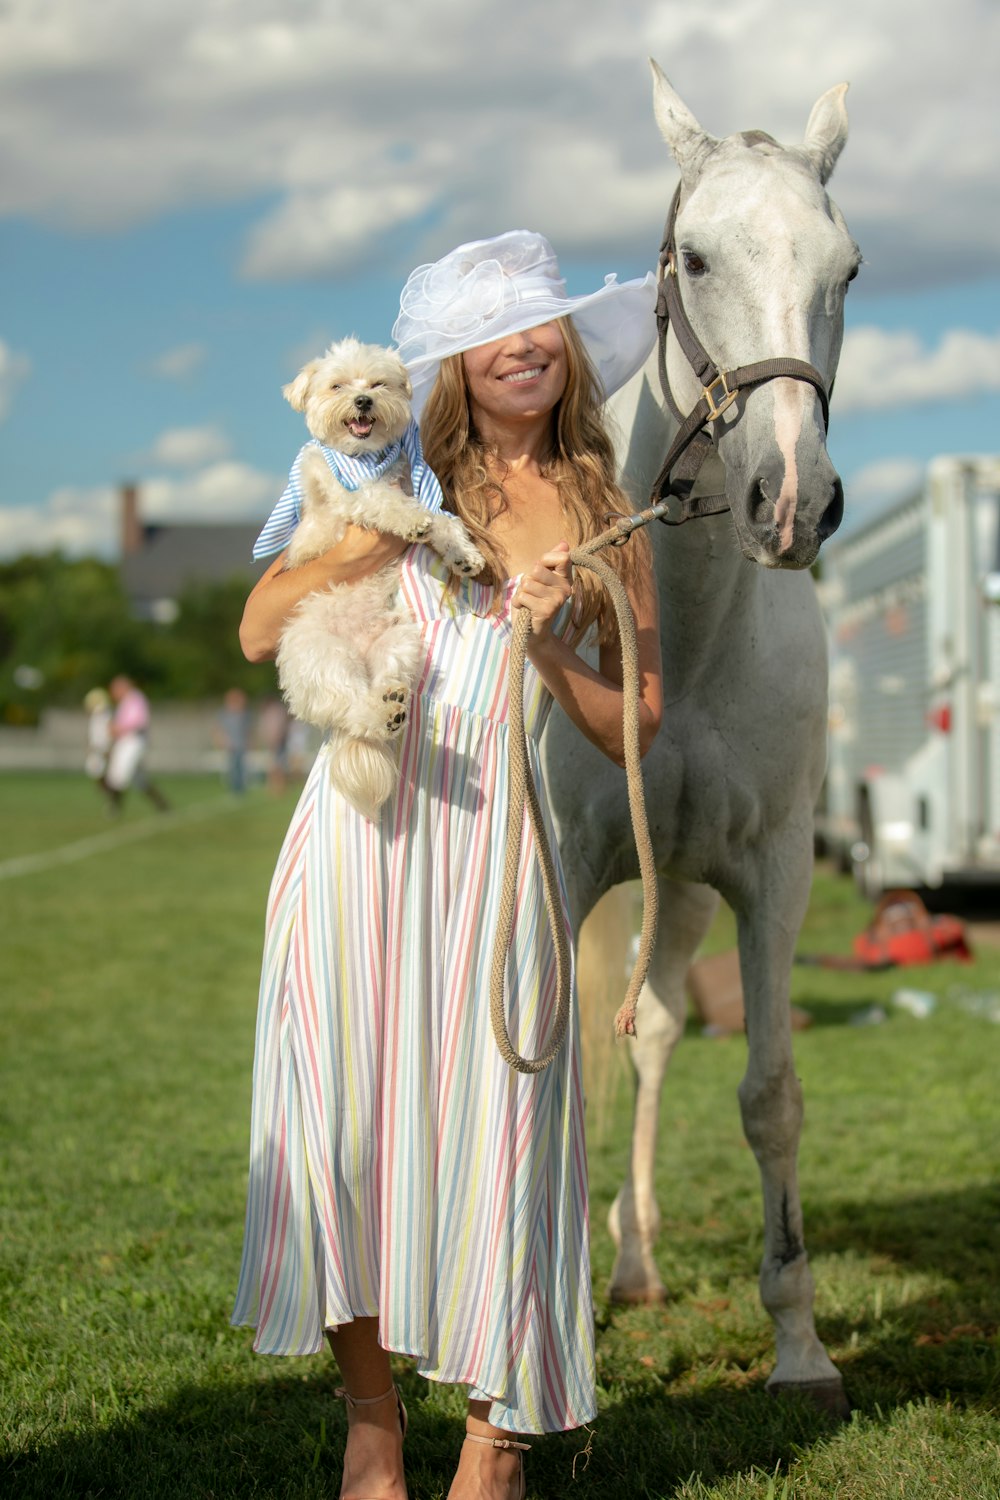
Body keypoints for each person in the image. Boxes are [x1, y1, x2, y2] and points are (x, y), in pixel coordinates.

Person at [232, 230, 663, 1500]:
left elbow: (636, 718)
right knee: (340, 1128)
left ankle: (495, 1435)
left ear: (569, 348)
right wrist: (383, 541)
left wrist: (545, 650)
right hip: (359, 840)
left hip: (496, 849)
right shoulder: (385, 469)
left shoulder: (603, 506)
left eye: (543, 321)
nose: (525, 343)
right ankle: (372, 1428)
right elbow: (261, 630)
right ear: (452, 362)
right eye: (494, 329)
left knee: (500, 1137)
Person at [104, 674, 170, 813]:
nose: (113, 693)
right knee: (138, 779)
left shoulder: (135, 699)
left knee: (119, 773)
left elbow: (139, 721)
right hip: (127, 741)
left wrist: (118, 728)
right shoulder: (126, 701)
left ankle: (114, 808)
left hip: (133, 741)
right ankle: (162, 805)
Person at [216, 686, 251, 795]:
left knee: (240, 767)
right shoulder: (225, 714)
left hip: (241, 744)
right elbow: (218, 729)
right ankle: (235, 789)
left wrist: (249, 741)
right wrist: (223, 741)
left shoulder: (243, 714)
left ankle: (240, 789)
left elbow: (247, 730)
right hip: (231, 745)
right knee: (234, 768)